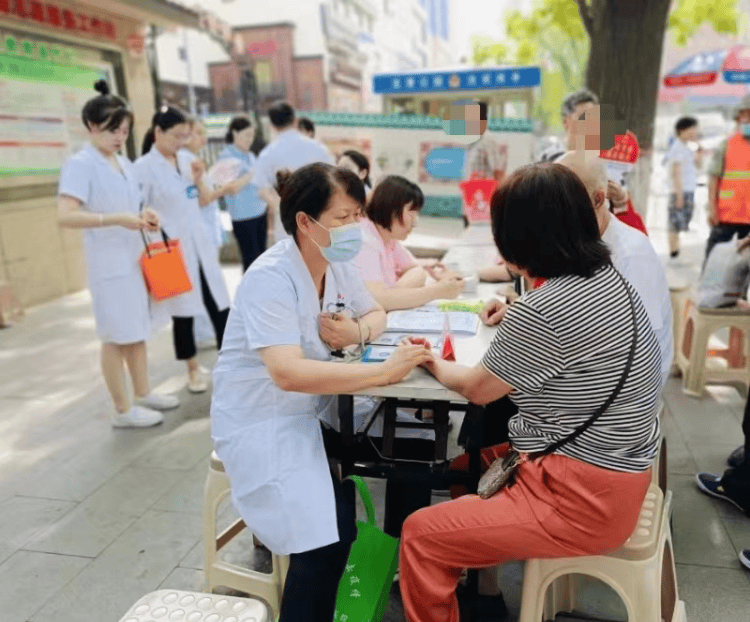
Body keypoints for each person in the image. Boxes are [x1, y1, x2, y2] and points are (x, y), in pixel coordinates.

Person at [398, 163, 662, 622]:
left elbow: (478, 389)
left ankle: (444, 582)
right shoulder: (611, 279)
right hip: (621, 470)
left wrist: (429, 361)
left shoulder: (543, 309)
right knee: (462, 466)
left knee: (421, 533)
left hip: (581, 498)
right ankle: (475, 577)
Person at [210, 162, 433, 621]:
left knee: (412, 449)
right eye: (342, 218)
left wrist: (356, 331)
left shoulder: (338, 264)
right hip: (263, 421)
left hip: (310, 413)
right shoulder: (270, 277)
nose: (354, 228)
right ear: (305, 222)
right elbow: (288, 373)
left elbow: (377, 314)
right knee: (325, 540)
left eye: (357, 216)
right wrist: (382, 373)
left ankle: (400, 577)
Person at [57, 80, 179, 428]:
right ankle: (123, 410)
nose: (119, 137)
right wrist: (117, 220)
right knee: (114, 337)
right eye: (112, 130)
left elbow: (133, 204)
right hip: (108, 265)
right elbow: (65, 216)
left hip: (133, 259)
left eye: (124, 130)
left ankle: (143, 392)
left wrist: (145, 215)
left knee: (136, 331)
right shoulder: (81, 164)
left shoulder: (122, 162)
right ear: (91, 127)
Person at [135, 106, 231, 393]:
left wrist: (201, 178)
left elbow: (202, 200)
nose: (181, 142)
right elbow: (139, 210)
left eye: (185, 136)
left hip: (199, 244)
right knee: (183, 313)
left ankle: (230, 364)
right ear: (158, 133)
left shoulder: (188, 159)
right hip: (170, 249)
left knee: (219, 304)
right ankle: (192, 370)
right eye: (177, 136)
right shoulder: (143, 169)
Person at [351, 175, 465, 311]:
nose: (415, 222)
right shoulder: (364, 240)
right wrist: (436, 291)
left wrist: (437, 277)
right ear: (391, 209)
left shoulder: (388, 239)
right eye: (411, 214)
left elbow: (415, 268)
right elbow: (379, 300)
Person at [182, 118, 244, 347]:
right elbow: (203, 198)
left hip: (205, 228)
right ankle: (204, 332)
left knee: (208, 281)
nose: (203, 138)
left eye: (203, 132)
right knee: (204, 282)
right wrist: (225, 189)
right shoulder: (185, 162)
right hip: (199, 231)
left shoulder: (192, 160)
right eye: (198, 133)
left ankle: (208, 330)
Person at [254, 101, 335, 243]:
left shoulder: (267, 155)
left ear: (272, 126)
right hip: (317, 218)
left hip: (287, 224)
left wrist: (284, 208)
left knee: (290, 261)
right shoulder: (318, 148)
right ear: (295, 121)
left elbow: (262, 191)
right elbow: (334, 181)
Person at [217, 116, 267, 271]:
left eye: (252, 135)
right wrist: (252, 174)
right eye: (246, 135)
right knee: (251, 260)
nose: (250, 139)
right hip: (243, 217)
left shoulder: (250, 155)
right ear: (235, 133)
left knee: (262, 259)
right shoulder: (226, 156)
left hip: (260, 212)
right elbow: (230, 187)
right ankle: (250, 294)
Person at [705, 94, 750, 260]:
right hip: (726, 217)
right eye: (746, 116)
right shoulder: (727, 144)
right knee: (714, 261)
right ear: (738, 118)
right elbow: (713, 178)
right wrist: (711, 208)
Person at [664, 117, 702, 258]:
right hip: (679, 191)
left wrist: (699, 152)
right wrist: (679, 195)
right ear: (682, 130)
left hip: (688, 190)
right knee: (674, 223)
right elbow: (676, 173)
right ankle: (673, 252)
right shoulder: (677, 148)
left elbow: (698, 166)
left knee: (681, 222)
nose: (695, 132)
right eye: (693, 129)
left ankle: (676, 250)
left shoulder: (687, 147)